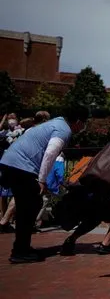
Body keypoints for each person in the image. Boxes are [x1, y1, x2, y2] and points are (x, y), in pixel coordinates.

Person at [0, 107, 88, 263]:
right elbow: (50, 153)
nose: (83, 128)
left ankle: (22, 247)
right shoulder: (63, 130)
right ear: (79, 122)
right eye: (84, 123)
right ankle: (20, 251)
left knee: (29, 205)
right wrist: (41, 180)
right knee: (28, 207)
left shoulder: (57, 123)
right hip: (21, 166)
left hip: (12, 163)